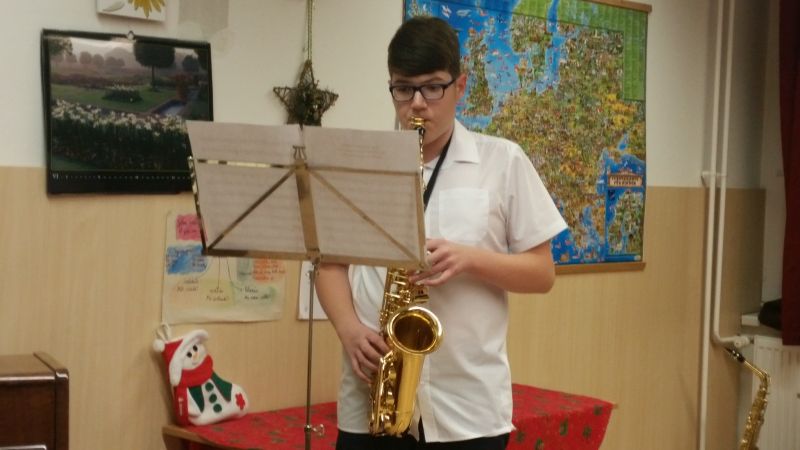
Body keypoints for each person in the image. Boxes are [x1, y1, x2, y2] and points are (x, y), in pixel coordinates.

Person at [315, 16, 567, 450]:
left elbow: (542, 273)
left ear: (460, 85)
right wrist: (349, 330)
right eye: (403, 88)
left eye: (433, 87)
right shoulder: (361, 165)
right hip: (370, 399)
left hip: (467, 409)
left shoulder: (503, 161)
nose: (417, 104)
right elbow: (329, 265)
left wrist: (470, 259)